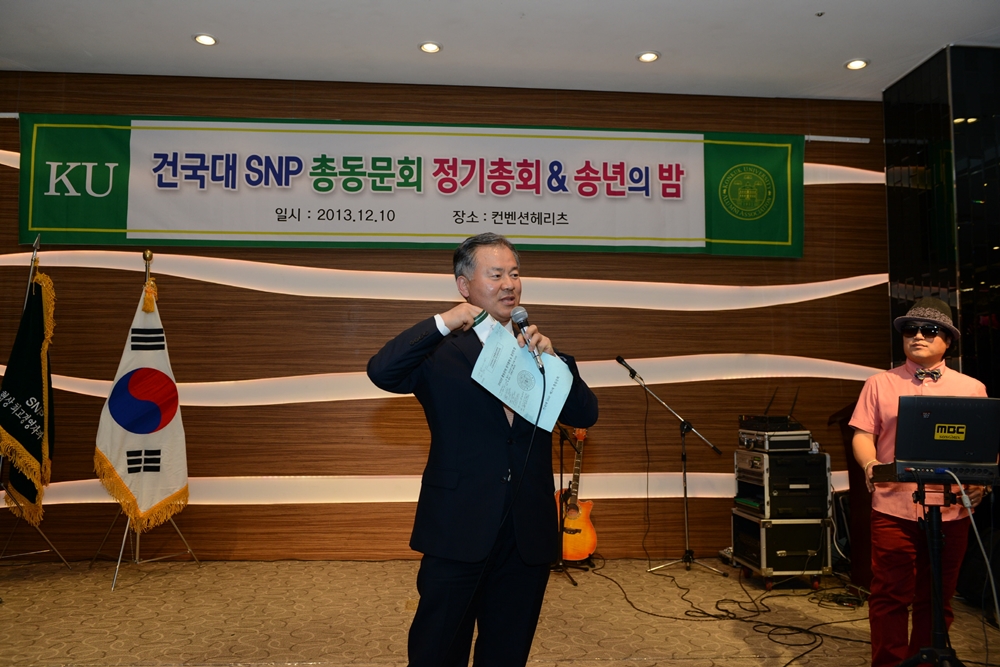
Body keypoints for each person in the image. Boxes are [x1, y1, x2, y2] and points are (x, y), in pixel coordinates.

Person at [367, 232, 599, 667]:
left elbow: (586, 413)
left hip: (526, 533)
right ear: (464, 285)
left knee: (507, 653)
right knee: (437, 651)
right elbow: (381, 371)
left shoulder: (540, 352)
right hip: (458, 526)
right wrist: (444, 321)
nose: (509, 284)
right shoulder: (440, 353)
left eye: (515, 273)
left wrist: (555, 363)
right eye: (496, 275)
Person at [850, 297, 989, 667]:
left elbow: (985, 448)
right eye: (910, 329)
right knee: (889, 595)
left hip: (951, 510)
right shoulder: (879, 383)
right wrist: (870, 464)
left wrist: (982, 484)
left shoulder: (972, 388)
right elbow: (862, 434)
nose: (918, 336)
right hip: (893, 507)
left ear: (948, 340)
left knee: (937, 598)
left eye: (929, 330)